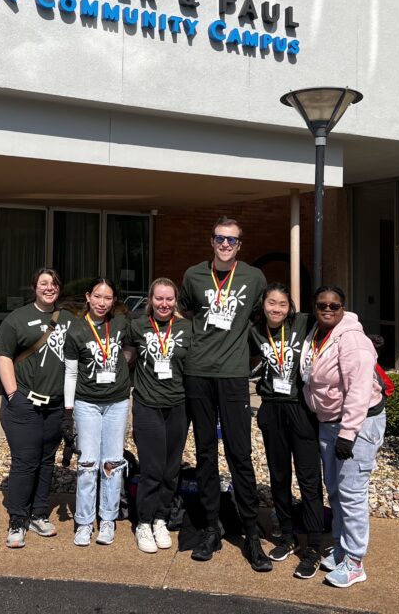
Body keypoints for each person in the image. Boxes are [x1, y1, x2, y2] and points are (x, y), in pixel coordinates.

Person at [179, 216, 270, 571]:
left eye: (232, 240)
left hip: (233, 375)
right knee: (205, 453)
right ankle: (211, 528)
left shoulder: (253, 277)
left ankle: (251, 534)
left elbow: (266, 315)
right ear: (212, 241)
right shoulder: (193, 275)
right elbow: (184, 312)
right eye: (220, 238)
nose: (225, 244)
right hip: (198, 373)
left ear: (240, 244)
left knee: (239, 453)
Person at [301, 285, 386, 588]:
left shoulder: (353, 341)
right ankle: (340, 548)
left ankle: (355, 561)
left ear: (343, 307)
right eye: (322, 305)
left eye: (334, 306)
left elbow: (359, 391)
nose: (328, 309)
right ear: (314, 307)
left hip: (357, 425)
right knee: (336, 490)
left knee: (352, 494)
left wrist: (348, 435)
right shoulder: (317, 332)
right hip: (329, 422)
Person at [249, 283, 324, 579]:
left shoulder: (303, 322)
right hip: (271, 408)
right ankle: (288, 536)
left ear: (290, 306)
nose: (276, 309)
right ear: (263, 305)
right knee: (279, 476)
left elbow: (334, 318)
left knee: (309, 479)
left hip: (300, 408)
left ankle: (313, 546)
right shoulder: (255, 330)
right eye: (271, 303)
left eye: (282, 304)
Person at [0, 268, 70, 549]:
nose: (49, 288)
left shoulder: (67, 319)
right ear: (34, 287)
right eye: (43, 283)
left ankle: (38, 514)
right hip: (24, 402)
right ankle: (17, 519)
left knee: (46, 460)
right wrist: (13, 394)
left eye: (54, 283)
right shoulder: (18, 318)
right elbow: (3, 356)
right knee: (25, 461)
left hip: (54, 405)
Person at [63, 277, 131, 547]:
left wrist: (122, 364)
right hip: (87, 403)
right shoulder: (76, 330)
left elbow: (131, 347)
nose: (102, 302)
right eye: (98, 296)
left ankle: (107, 519)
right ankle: (83, 521)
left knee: (112, 462)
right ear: (88, 297)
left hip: (117, 403)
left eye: (108, 298)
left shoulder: (120, 324)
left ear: (114, 301)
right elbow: (70, 373)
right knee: (88, 463)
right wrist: (68, 410)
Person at [128, 277, 191, 554]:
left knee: (171, 468)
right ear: (150, 300)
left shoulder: (186, 328)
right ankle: (143, 522)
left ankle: (161, 518)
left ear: (175, 301)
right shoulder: (137, 326)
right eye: (158, 298)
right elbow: (125, 358)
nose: (164, 304)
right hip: (147, 404)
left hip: (178, 405)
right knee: (152, 468)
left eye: (169, 299)